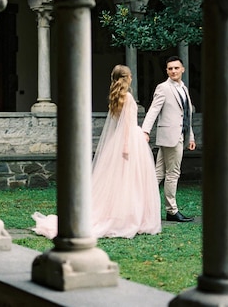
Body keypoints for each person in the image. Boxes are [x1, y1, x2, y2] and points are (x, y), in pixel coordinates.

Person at [32, 65, 161, 239]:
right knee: (131, 181)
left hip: (120, 140)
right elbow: (128, 126)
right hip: (128, 141)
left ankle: (123, 214)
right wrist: (126, 147)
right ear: (128, 78)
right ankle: (130, 217)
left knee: (119, 181)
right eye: (130, 76)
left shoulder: (116, 97)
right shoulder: (128, 97)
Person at [142, 56, 195, 222]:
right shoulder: (163, 88)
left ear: (182, 69)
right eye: (170, 68)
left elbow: (186, 115)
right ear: (167, 71)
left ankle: (138, 205)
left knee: (157, 174)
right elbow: (153, 110)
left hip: (180, 136)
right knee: (173, 173)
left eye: (176, 68)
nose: (173, 71)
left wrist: (190, 136)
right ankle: (172, 211)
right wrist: (145, 130)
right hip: (170, 137)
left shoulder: (183, 88)